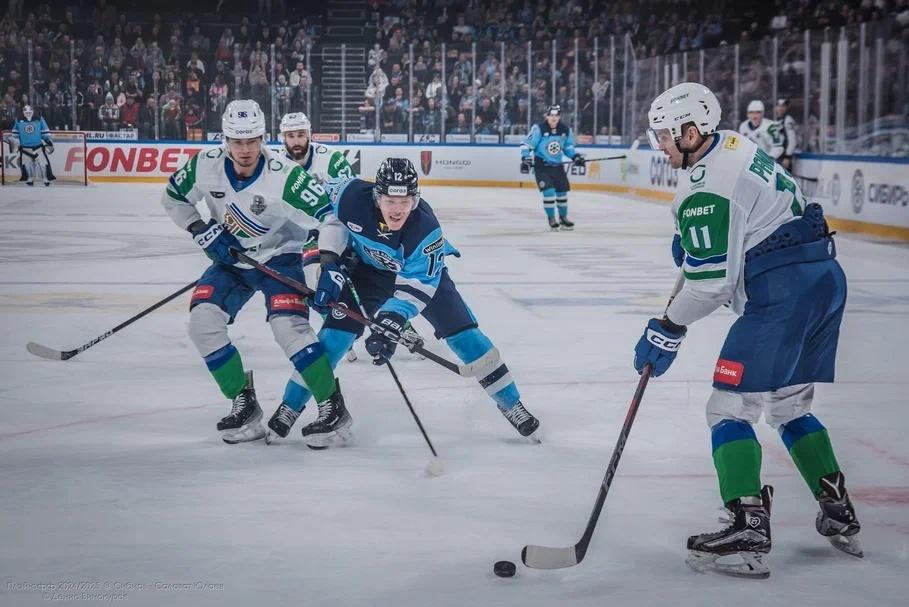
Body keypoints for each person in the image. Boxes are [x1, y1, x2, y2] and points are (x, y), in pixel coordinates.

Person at [635, 82, 862, 579]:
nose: (660, 145)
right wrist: (698, 244)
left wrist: (667, 327)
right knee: (788, 404)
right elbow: (753, 216)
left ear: (691, 132)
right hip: (824, 279)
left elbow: (711, 286)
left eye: (665, 136)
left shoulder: (702, 190)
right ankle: (837, 505)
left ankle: (747, 528)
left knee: (728, 408)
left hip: (782, 295)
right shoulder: (736, 143)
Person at [278, 158, 542, 442]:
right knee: (332, 338)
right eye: (390, 201)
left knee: (466, 338)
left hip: (422, 278)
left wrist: (391, 320)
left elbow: (417, 285)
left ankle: (512, 404)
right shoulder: (350, 195)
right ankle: (289, 406)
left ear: (415, 199)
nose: (397, 209)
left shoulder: (425, 228)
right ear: (377, 196)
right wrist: (328, 258)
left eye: (405, 201)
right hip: (367, 273)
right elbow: (319, 201)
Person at [160, 99, 353, 448]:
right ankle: (244, 404)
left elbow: (331, 218)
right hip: (231, 260)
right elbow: (173, 196)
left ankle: (332, 406)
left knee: (288, 328)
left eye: (252, 141)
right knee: (202, 322)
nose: (246, 149)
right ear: (225, 140)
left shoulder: (286, 176)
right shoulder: (204, 165)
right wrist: (200, 228)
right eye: (238, 141)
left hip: (280, 259)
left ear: (263, 138)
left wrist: (329, 263)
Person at [520, 105, 585, 231]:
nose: (553, 118)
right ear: (547, 116)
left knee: (562, 193)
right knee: (549, 192)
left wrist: (575, 156)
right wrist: (525, 156)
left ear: (559, 117)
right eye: (551, 115)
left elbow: (568, 147)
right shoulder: (538, 129)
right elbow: (527, 144)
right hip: (542, 166)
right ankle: (551, 219)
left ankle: (563, 218)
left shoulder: (565, 130)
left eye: (556, 116)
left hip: (557, 167)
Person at [6, 105, 54, 186]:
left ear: (32, 112)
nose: (28, 114)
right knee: (27, 165)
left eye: (29, 112)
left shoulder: (39, 118)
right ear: (23, 112)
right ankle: (30, 178)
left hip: (38, 147)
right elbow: (15, 134)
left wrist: (48, 141)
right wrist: (16, 143)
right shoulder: (18, 120)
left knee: (43, 164)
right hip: (25, 148)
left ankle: (45, 178)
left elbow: (45, 131)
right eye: (26, 112)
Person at [774, 98, 799, 171]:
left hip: (784, 157)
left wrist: (787, 156)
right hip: (777, 155)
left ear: (786, 107)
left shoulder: (788, 120)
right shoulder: (777, 120)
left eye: (783, 106)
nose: (780, 108)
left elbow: (792, 140)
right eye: (779, 105)